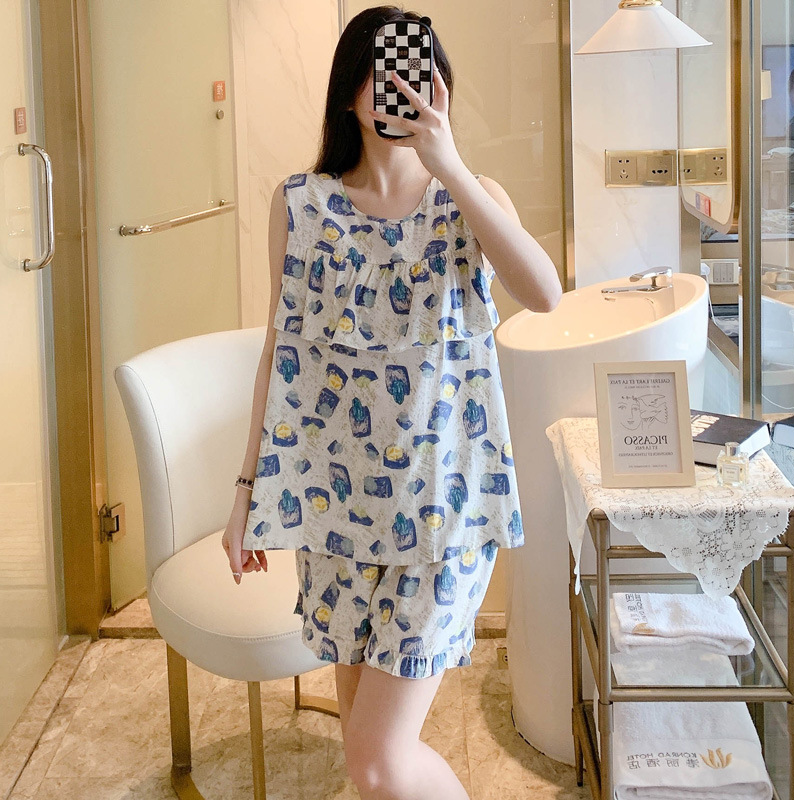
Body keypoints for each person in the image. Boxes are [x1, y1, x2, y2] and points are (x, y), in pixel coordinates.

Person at [222, 6, 561, 798]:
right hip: (336, 516)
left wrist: (450, 164)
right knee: (365, 757)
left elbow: (544, 294)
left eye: (419, 74)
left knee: (378, 760)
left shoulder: (470, 199)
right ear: (351, 91)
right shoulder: (300, 204)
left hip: (443, 516)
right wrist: (246, 493)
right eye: (386, 76)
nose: (404, 92)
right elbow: (281, 354)